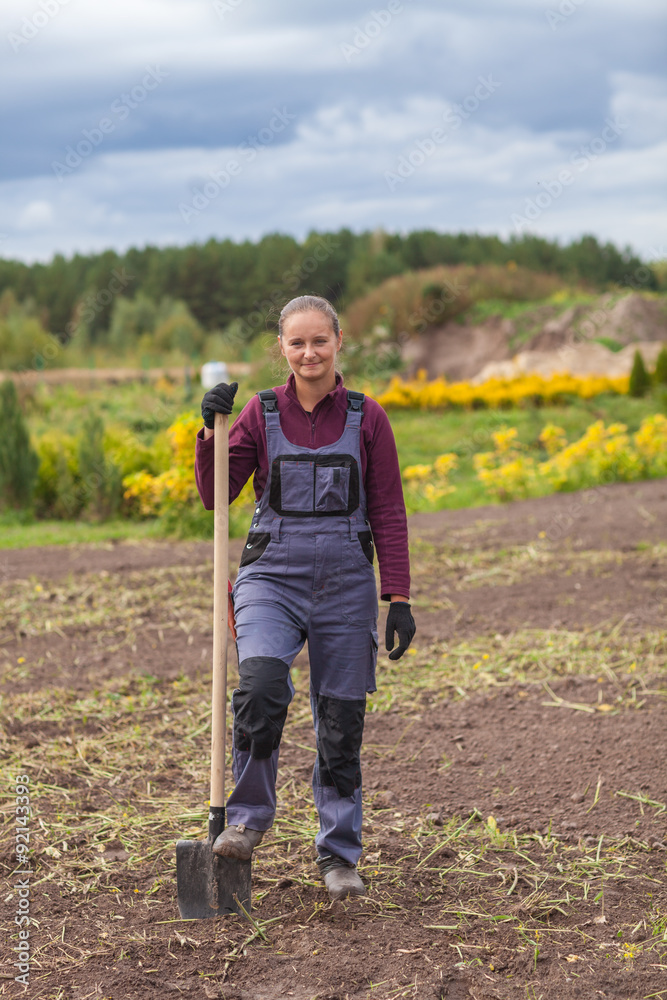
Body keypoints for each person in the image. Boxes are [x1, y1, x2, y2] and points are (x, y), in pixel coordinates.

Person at [195, 294, 415, 901]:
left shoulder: (368, 418)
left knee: (341, 724)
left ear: (339, 341)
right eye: (298, 343)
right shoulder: (258, 414)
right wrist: (208, 431)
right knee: (261, 688)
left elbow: (390, 508)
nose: (309, 352)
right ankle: (245, 821)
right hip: (272, 575)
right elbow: (217, 495)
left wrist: (396, 594)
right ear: (283, 348)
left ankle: (340, 855)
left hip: (347, 583)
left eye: (320, 341)